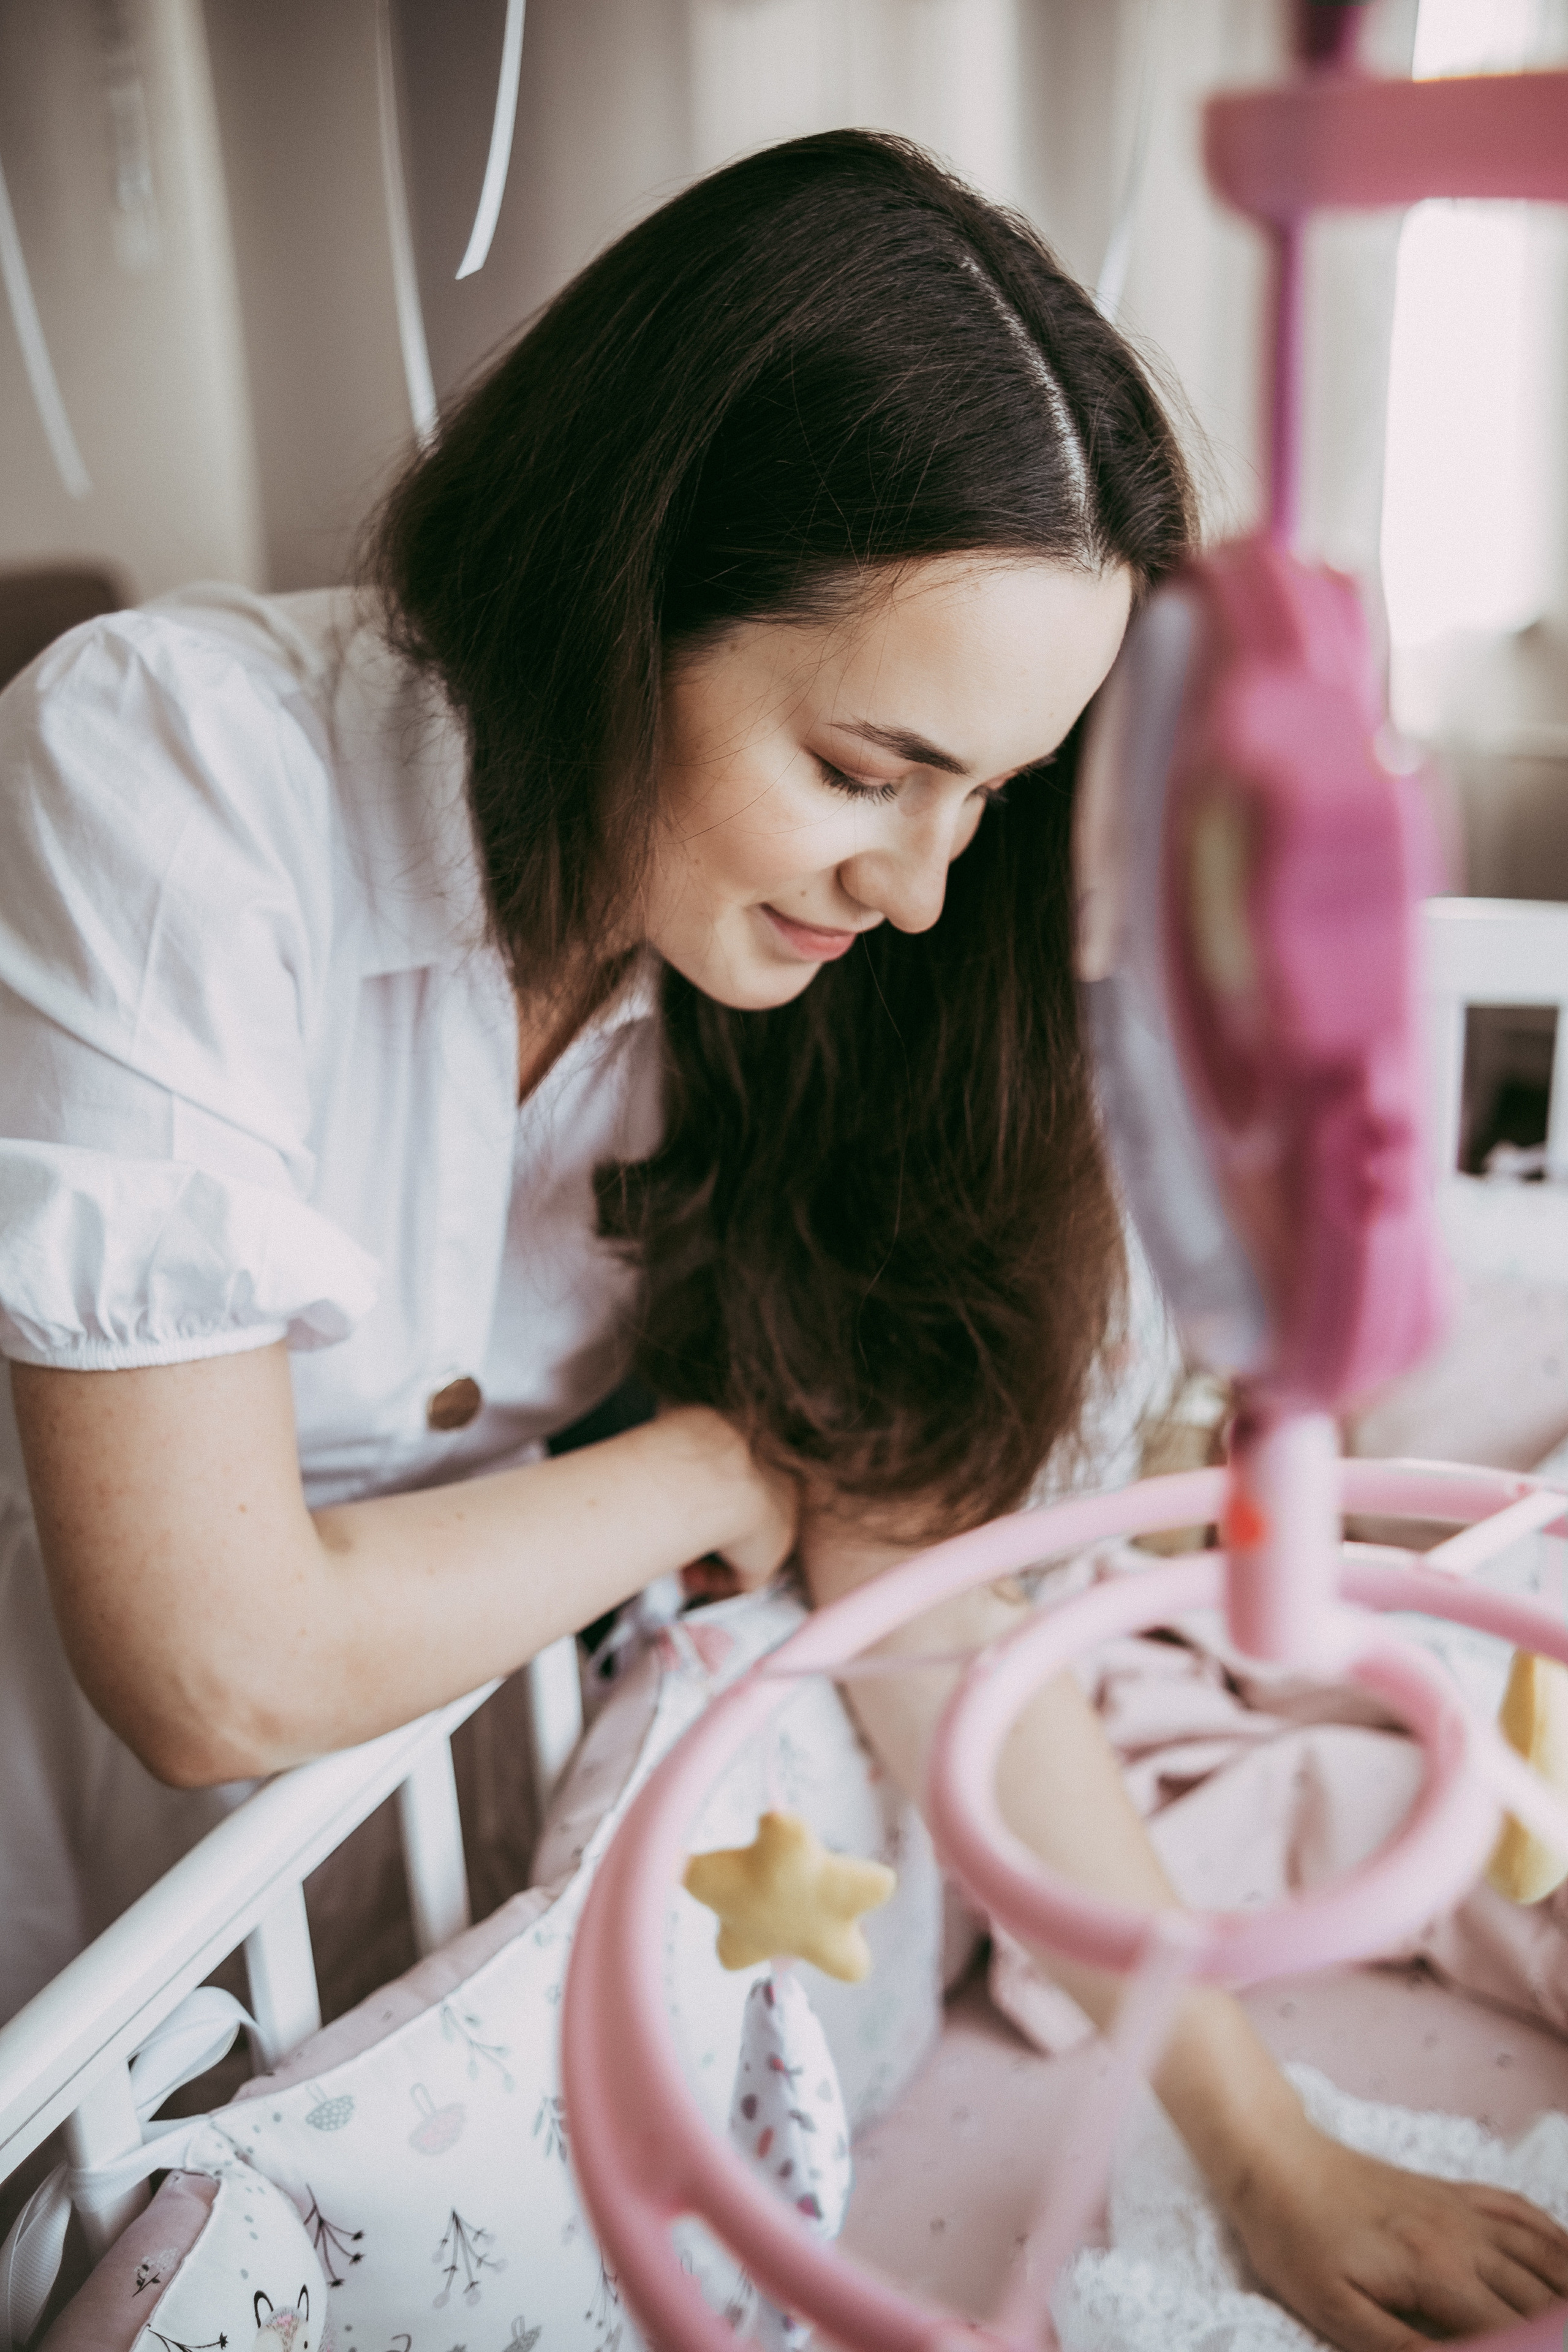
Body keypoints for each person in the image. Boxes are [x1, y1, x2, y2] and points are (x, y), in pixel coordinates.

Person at [1, 129, 1564, 2349]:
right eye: (862, 770)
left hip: (436, 1807)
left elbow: (926, 1611)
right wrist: (720, 1470)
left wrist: (1260, 2144)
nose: (923, 891)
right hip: (89, 1878)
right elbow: (206, 1659)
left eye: (989, 801)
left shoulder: (827, 984)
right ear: (614, 590)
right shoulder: (172, 775)